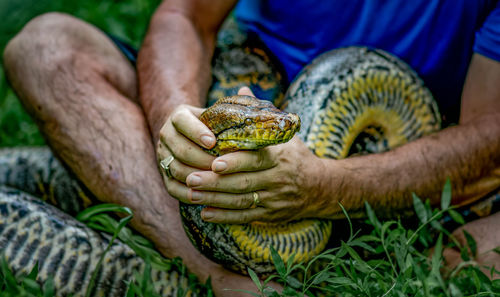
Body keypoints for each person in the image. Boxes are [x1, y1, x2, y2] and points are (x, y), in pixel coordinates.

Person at [2, 0, 499, 295]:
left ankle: (122, 194)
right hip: (242, 95)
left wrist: (324, 188)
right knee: (46, 49)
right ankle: (226, 282)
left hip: (396, 160)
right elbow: (185, 15)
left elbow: (489, 143)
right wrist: (176, 122)